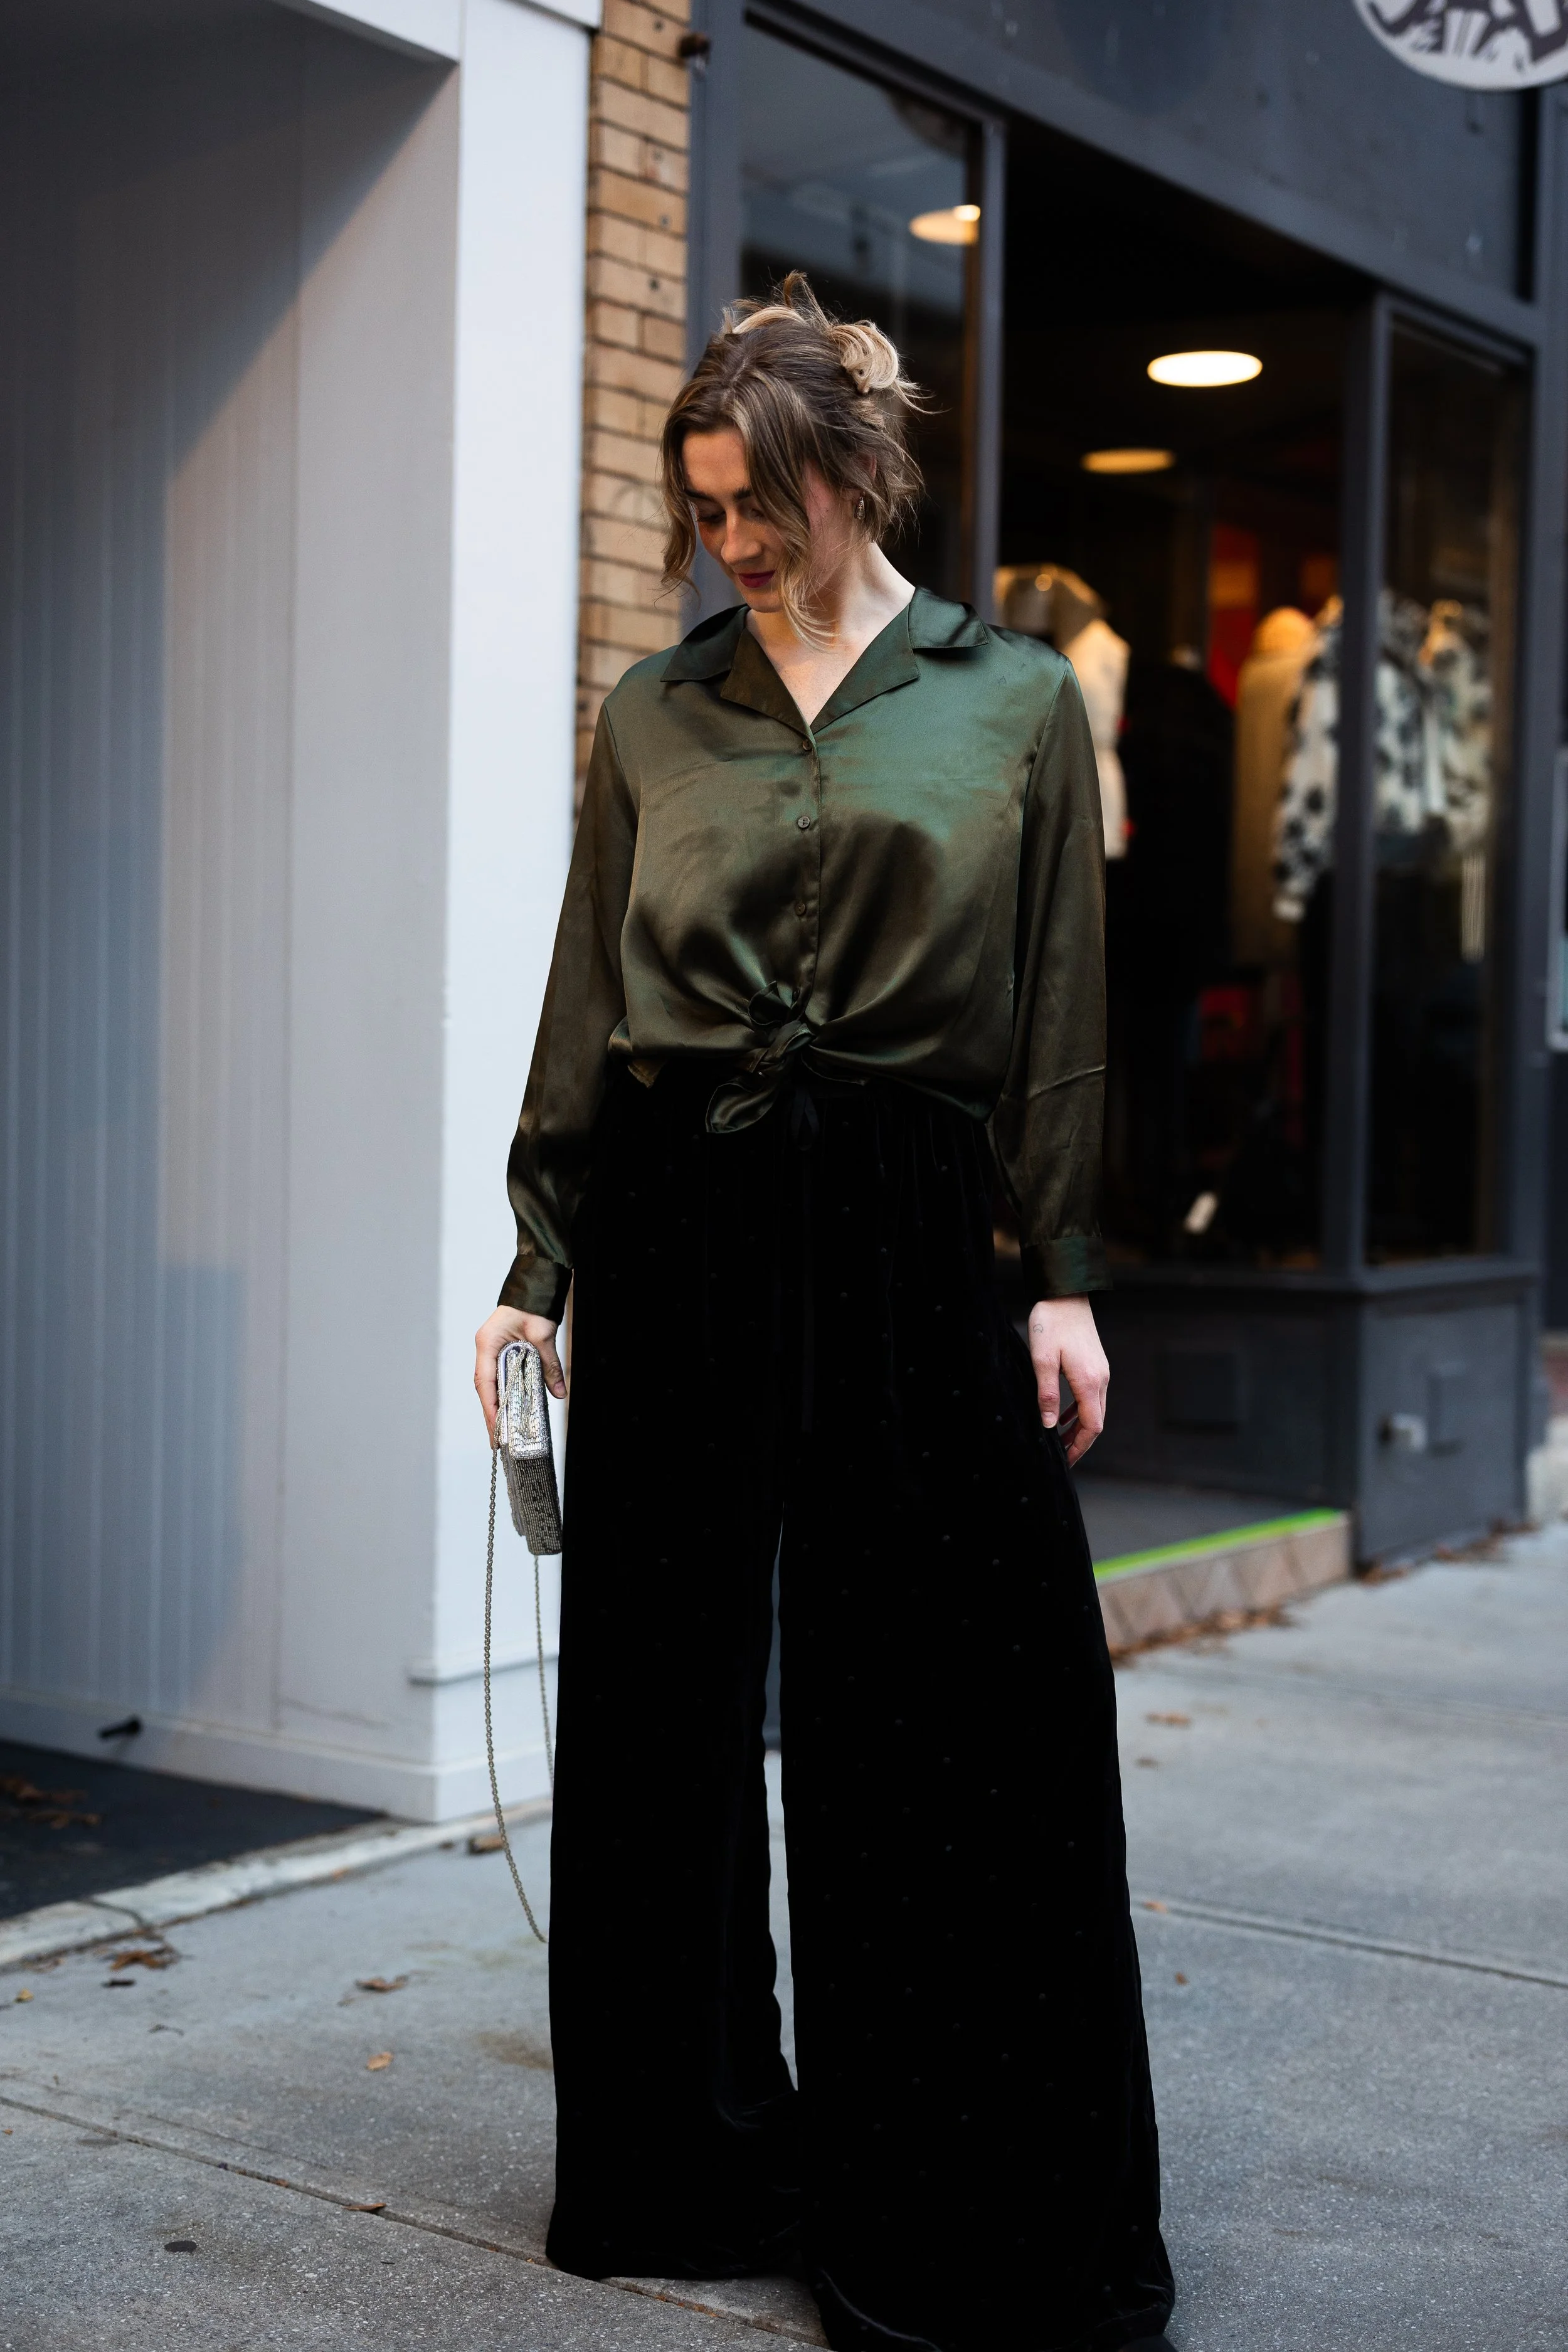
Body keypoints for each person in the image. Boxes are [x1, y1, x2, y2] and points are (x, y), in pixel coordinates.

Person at [474, 273, 1174, 2352]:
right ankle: (688, 2154)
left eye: (760, 502)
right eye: (704, 510)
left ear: (853, 473)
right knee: (663, 1709)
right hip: (683, 1212)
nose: (732, 544)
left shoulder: (1011, 695)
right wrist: (542, 1261)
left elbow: (1055, 1011)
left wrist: (1060, 1274)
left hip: (906, 1214)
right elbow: (590, 993)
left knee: (952, 1708)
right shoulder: (653, 709)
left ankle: (946, 2176)